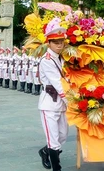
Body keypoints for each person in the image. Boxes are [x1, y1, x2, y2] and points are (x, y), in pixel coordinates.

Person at [38, 26, 68, 171]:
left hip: (61, 104)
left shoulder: (62, 58)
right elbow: (58, 84)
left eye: (61, 42)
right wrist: (73, 103)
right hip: (49, 103)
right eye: (56, 42)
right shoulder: (47, 60)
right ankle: (57, 168)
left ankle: (45, 151)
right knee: (54, 139)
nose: (59, 45)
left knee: (63, 135)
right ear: (48, 43)